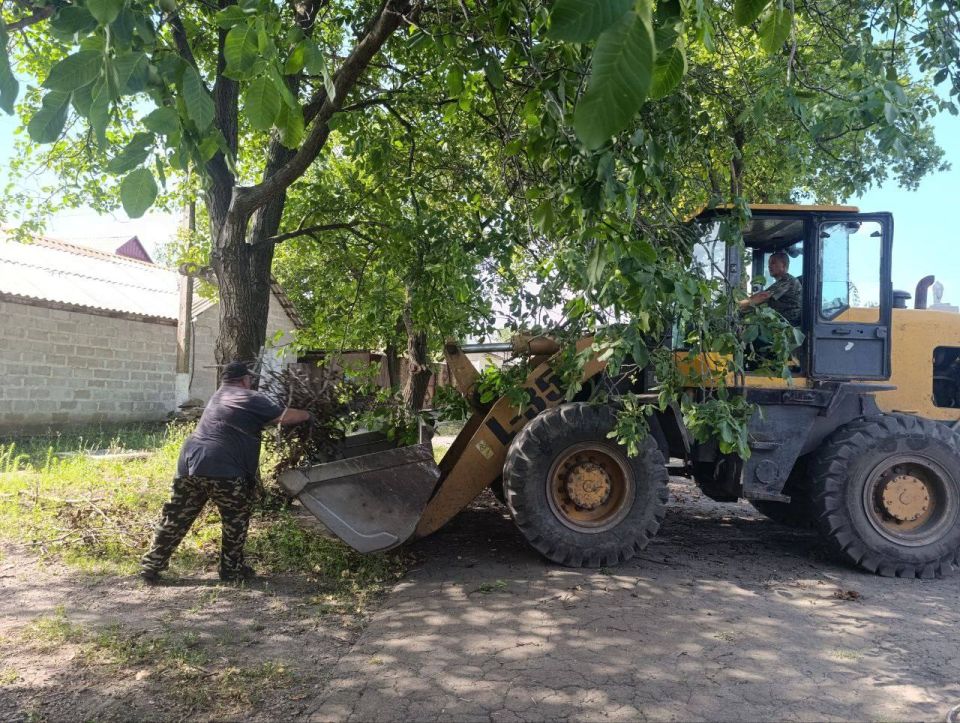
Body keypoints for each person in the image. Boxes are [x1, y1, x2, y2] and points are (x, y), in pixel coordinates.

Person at [140, 361, 310, 583]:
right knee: (235, 519)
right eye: (250, 379)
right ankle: (231, 570)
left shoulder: (217, 397)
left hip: (189, 465)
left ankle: (151, 565)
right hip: (223, 468)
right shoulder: (249, 397)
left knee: (176, 517)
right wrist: (308, 414)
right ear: (244, 379)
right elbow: (284, 416)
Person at [738, 250, 802, 326]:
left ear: (784, 265)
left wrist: (738, 305)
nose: (769, 266)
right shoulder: (782, 282)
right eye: (769, 263)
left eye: (773, 263)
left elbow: (763, 296)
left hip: (787, 326)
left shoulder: (788, 281)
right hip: (778, 323)